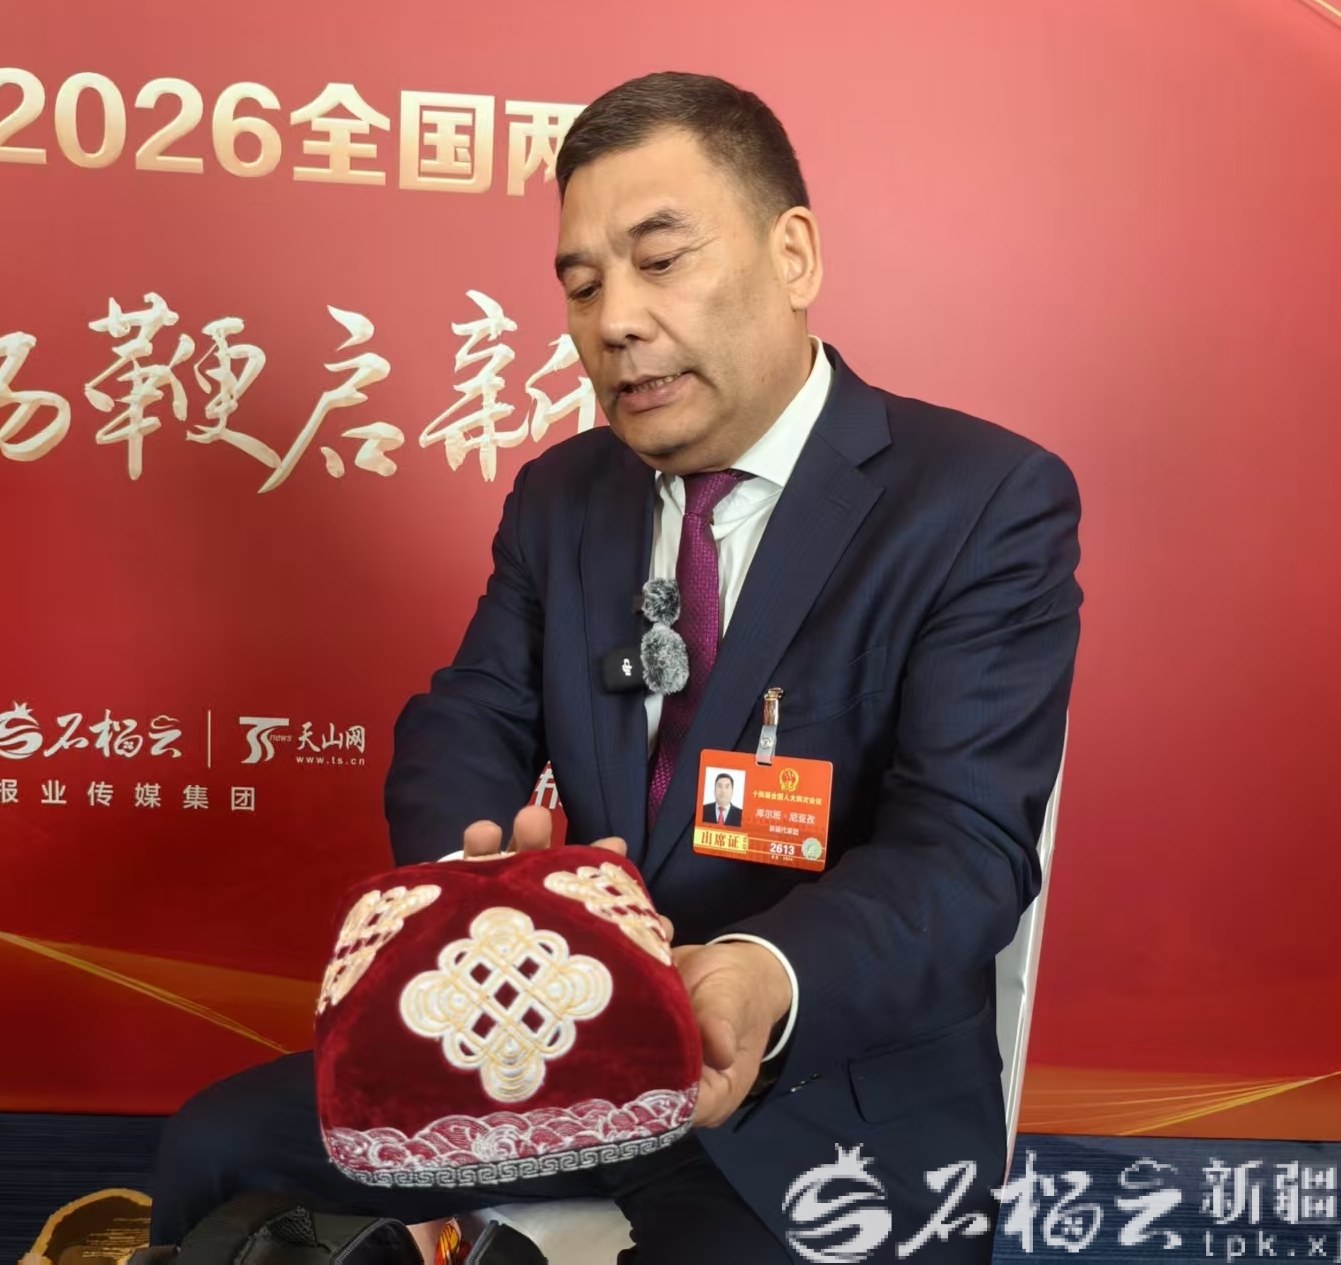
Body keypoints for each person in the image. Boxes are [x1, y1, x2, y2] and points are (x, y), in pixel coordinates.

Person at [149, 70, 1081, 1264]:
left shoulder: (979, 500)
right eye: (582, 285)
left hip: (817, 1090)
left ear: (792, 255)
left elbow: (963, 845)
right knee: (218, 1147)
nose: (615, 321)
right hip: (558, 1037)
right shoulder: (564, 495)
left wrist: (757, 976)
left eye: (660, 260)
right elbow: (468, 714)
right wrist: (475, 886)